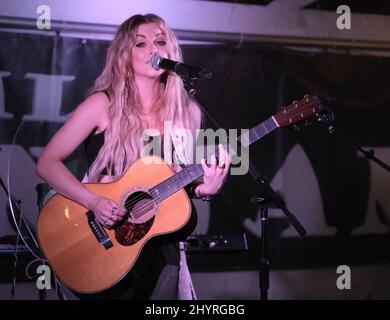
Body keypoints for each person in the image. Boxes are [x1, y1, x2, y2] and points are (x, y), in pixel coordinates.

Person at [36, 13, 231, 299]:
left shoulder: (188, 112)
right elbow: (47, 163)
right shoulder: (102, 105)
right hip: (104, 240)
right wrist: (94, 201)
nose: (153, 49)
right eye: (140, 44)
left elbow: (178, 181)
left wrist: (205, 190)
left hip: (159, 246)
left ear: (171, 52)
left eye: (160, 41)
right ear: (123, 55)